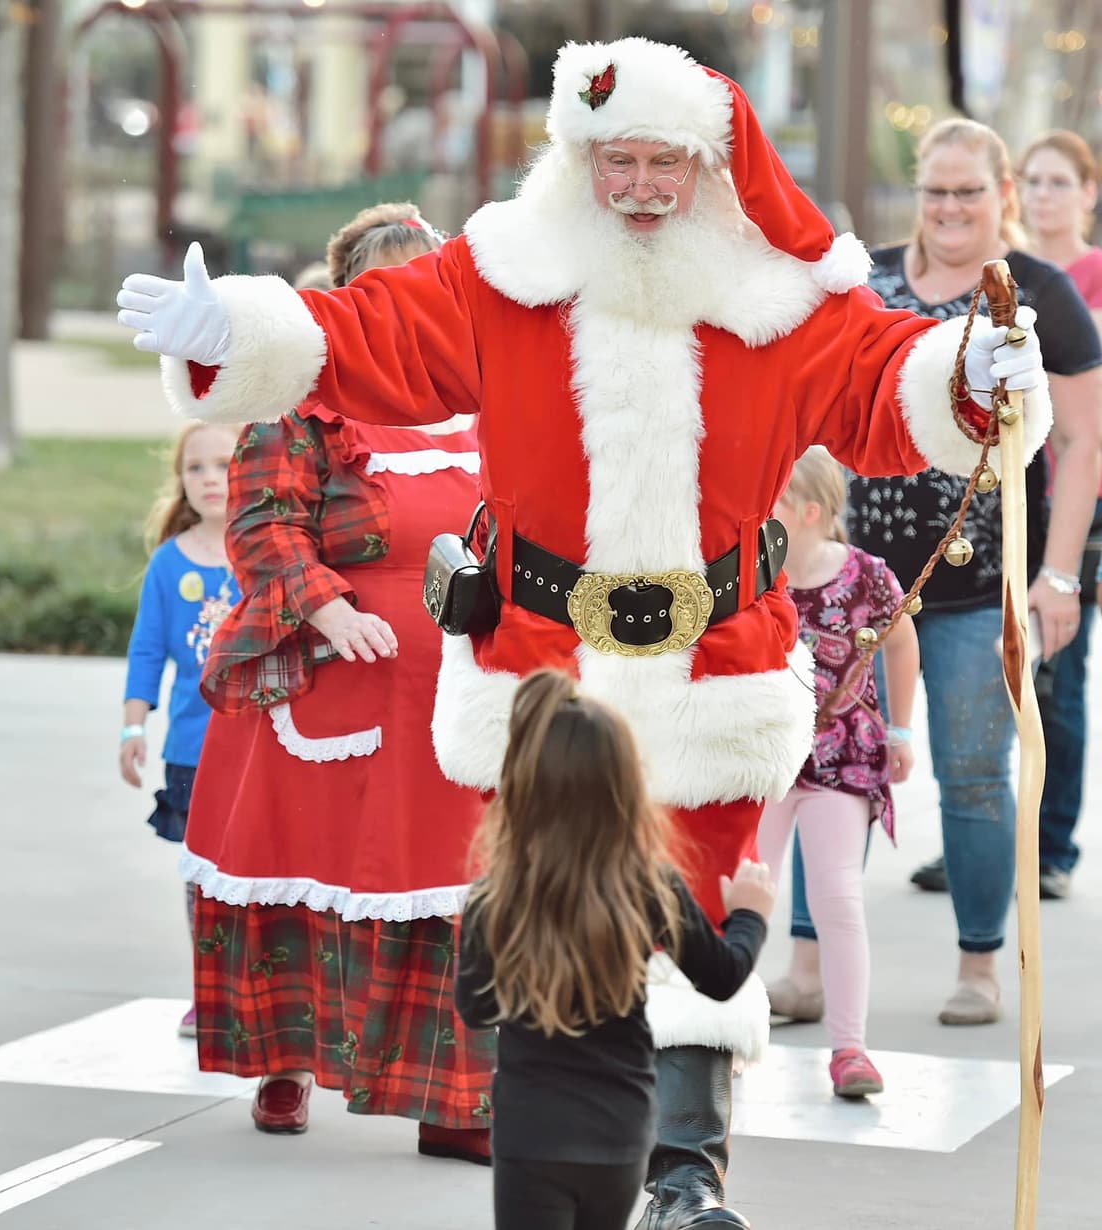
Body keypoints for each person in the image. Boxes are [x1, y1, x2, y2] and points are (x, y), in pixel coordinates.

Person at [117, 39, 1050, 1228]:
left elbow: (884, 385)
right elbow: (370, 336)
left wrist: (975, 370)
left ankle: (686, 1175)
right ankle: (551, 1153)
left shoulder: (777, 296)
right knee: (544, 904)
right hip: (539, 663)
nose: (643, 186)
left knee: (699, 907)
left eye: (666, 161)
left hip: (713, 657)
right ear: (579, 159)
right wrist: (231, 333)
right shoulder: (505, 274)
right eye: (619, 162)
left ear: (708, 166)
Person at [159, 202, 496, 1164]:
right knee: (302, 879)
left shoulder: (485, 402)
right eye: (385, 293)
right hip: (330, 686)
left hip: (453, 691)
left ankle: (454, 1102)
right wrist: (328, 609)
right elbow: (260, 523)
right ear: (349, 300)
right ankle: (284, 1061)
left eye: (424, 289)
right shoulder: (303, 400)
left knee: (450, 886)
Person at [838, 118, 1102, 1025]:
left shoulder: (1036, 293)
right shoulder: (866, 282)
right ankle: (808, 960)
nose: (949, 208)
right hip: (855, 587)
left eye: (968, 191)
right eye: (935, 191)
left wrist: (1058, 578)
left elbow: (1083, 441)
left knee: (976, 774)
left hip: (977, 588)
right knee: (824, 769)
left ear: (1003, 196)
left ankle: (980, 963)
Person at [457, 669, 774, 1230]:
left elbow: (477, 1008)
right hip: (619, 1130)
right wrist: (749, 915)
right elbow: (722, 978)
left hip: (533, 1132)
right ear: (625, 788)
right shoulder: (650, 885)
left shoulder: (497, 896)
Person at [754, 448, 917, 1099]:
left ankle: (850, 1047)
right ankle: (719, 1038)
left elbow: (901, 642)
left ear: (811, 512)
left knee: (837, 896)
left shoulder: (867, 575)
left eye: (775, 498)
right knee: (743, 891)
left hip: (842, 756)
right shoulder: (752, 573)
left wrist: (901, 730)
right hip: (764, 759)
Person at [120, 421, 242, 1037]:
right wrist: (132, 729)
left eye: (224, 463)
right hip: (192, 754)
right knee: (201, 876)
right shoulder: (168, 564)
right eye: (196, 467)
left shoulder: (268, 552)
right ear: (180, 480)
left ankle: (260, 994)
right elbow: (146, 651)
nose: (210, 478)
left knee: (254, 877)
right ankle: (209, 992)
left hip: (259, 751)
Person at [1019, 130, 1102, 899]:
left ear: (1088, 193)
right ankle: (990, 838)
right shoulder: (1000, 271)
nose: (1044, 194)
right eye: (1033, 181)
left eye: (1058, 182)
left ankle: (1051, 848)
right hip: (1003, 498)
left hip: (1075, 502)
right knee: (990, 671)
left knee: (1057, 673)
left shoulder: (1093, 278)